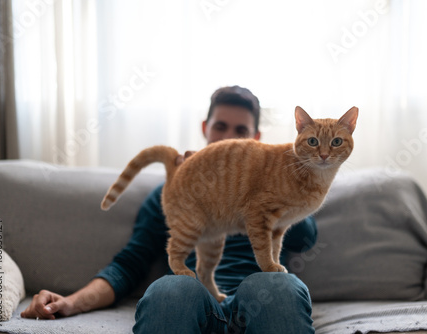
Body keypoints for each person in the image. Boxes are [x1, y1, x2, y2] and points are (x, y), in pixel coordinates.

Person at [21, 86, 317, 333]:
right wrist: (69, 303)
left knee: (279, 286)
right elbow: (129, 264)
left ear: (254, 140)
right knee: (171, 290)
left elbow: (305, 238)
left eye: (239, 131)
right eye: (220, 127)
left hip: (258, 305)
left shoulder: (278, 183)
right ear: (205, 128)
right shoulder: (168, 192)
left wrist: (285, 185)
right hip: (195, 305)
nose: (228, 138)